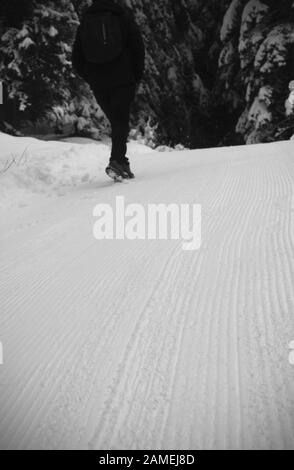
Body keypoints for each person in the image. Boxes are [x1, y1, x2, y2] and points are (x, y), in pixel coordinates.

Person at [72, 0, 145, 180]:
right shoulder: (123, 17)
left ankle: (122, 162)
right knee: (120, 121)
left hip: (99, 82)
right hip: (123, 79)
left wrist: (91, 77)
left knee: (116, 121)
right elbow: (138, 48)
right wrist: (135, 76)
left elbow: (76, 59)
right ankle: (117, 161)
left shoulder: (86, 22)